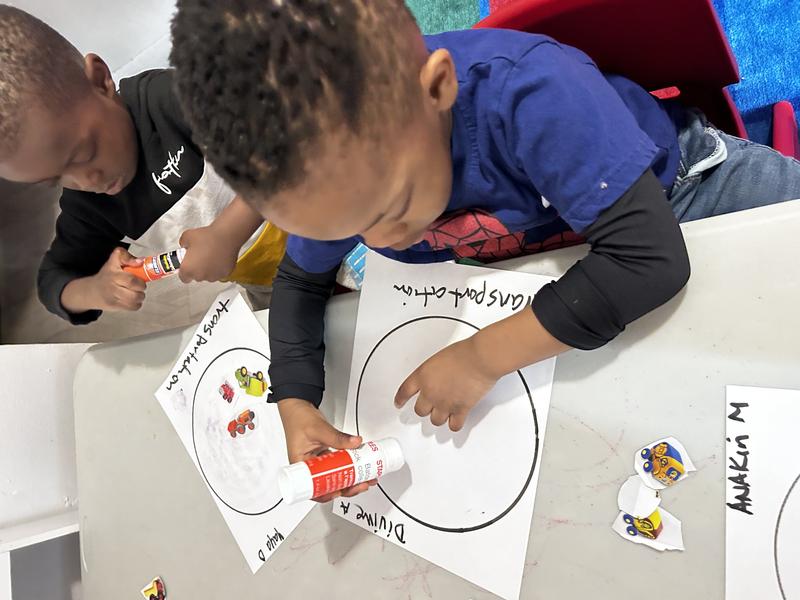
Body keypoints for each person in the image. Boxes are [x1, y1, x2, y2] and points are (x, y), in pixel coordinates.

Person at [169, 0, 800, 501]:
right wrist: (296, 403)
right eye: (355, 232)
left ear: (437, 88)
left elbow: (649, 260)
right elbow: (300, 283)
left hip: (683, 192)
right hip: (552, 268)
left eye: (390, 210)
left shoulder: (529, 94)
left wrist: (479, 358)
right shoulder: (336, 174)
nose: (385, 243)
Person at [0, 5, 286, 325]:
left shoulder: (170, 98)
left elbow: (281, 142)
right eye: (55, 179)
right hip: (272, 282)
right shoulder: (90, 205)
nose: (87, 180)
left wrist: (229, 232)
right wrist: (94, 289)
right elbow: (52, 281)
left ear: (100, 80)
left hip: (316, 213)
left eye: (84, 153)